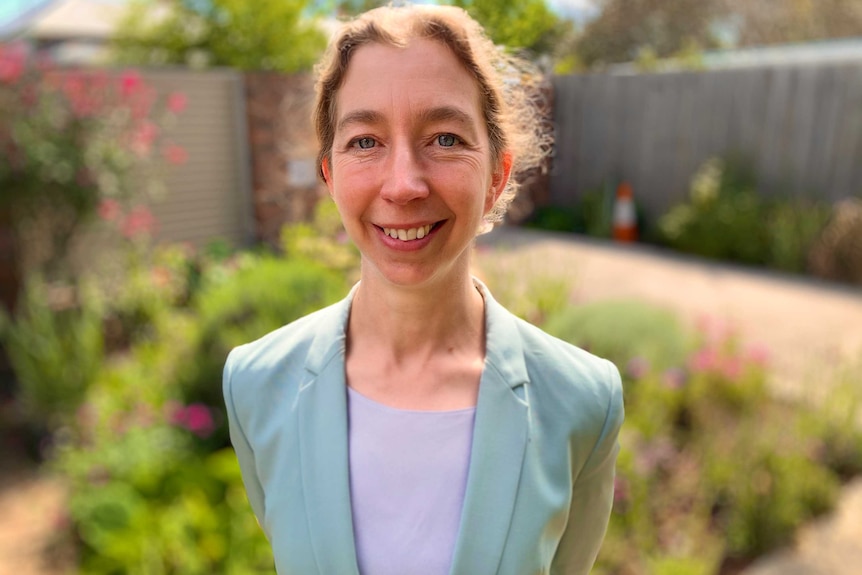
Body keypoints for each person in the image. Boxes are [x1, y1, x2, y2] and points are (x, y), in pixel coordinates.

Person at [223, 5, 624, 575]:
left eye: (444, 137)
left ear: (496, 176)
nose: (404, 184)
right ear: (329, 176)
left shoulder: (582, 402)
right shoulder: (257, 384)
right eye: (365, 142)